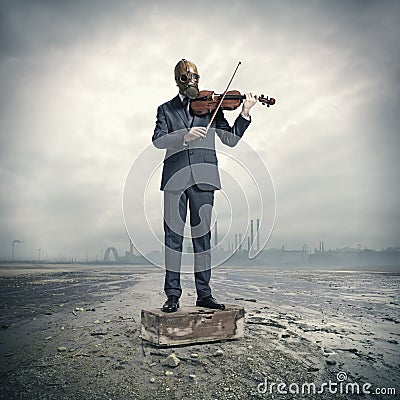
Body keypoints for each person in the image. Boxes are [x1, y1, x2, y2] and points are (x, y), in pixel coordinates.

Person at [152, 59, 257, 312]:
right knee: (173, 239)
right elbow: (157, 140)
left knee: (203, 238)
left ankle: (204, 294)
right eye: (187, 79)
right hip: (174, 180)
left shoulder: (213, 107)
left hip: (204, 179)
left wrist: (244, 113)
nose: (192, 83)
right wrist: (183, 137)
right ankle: (173, 296)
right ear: (178, 81)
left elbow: (229, 140)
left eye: (195, 78)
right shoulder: (165, 109)